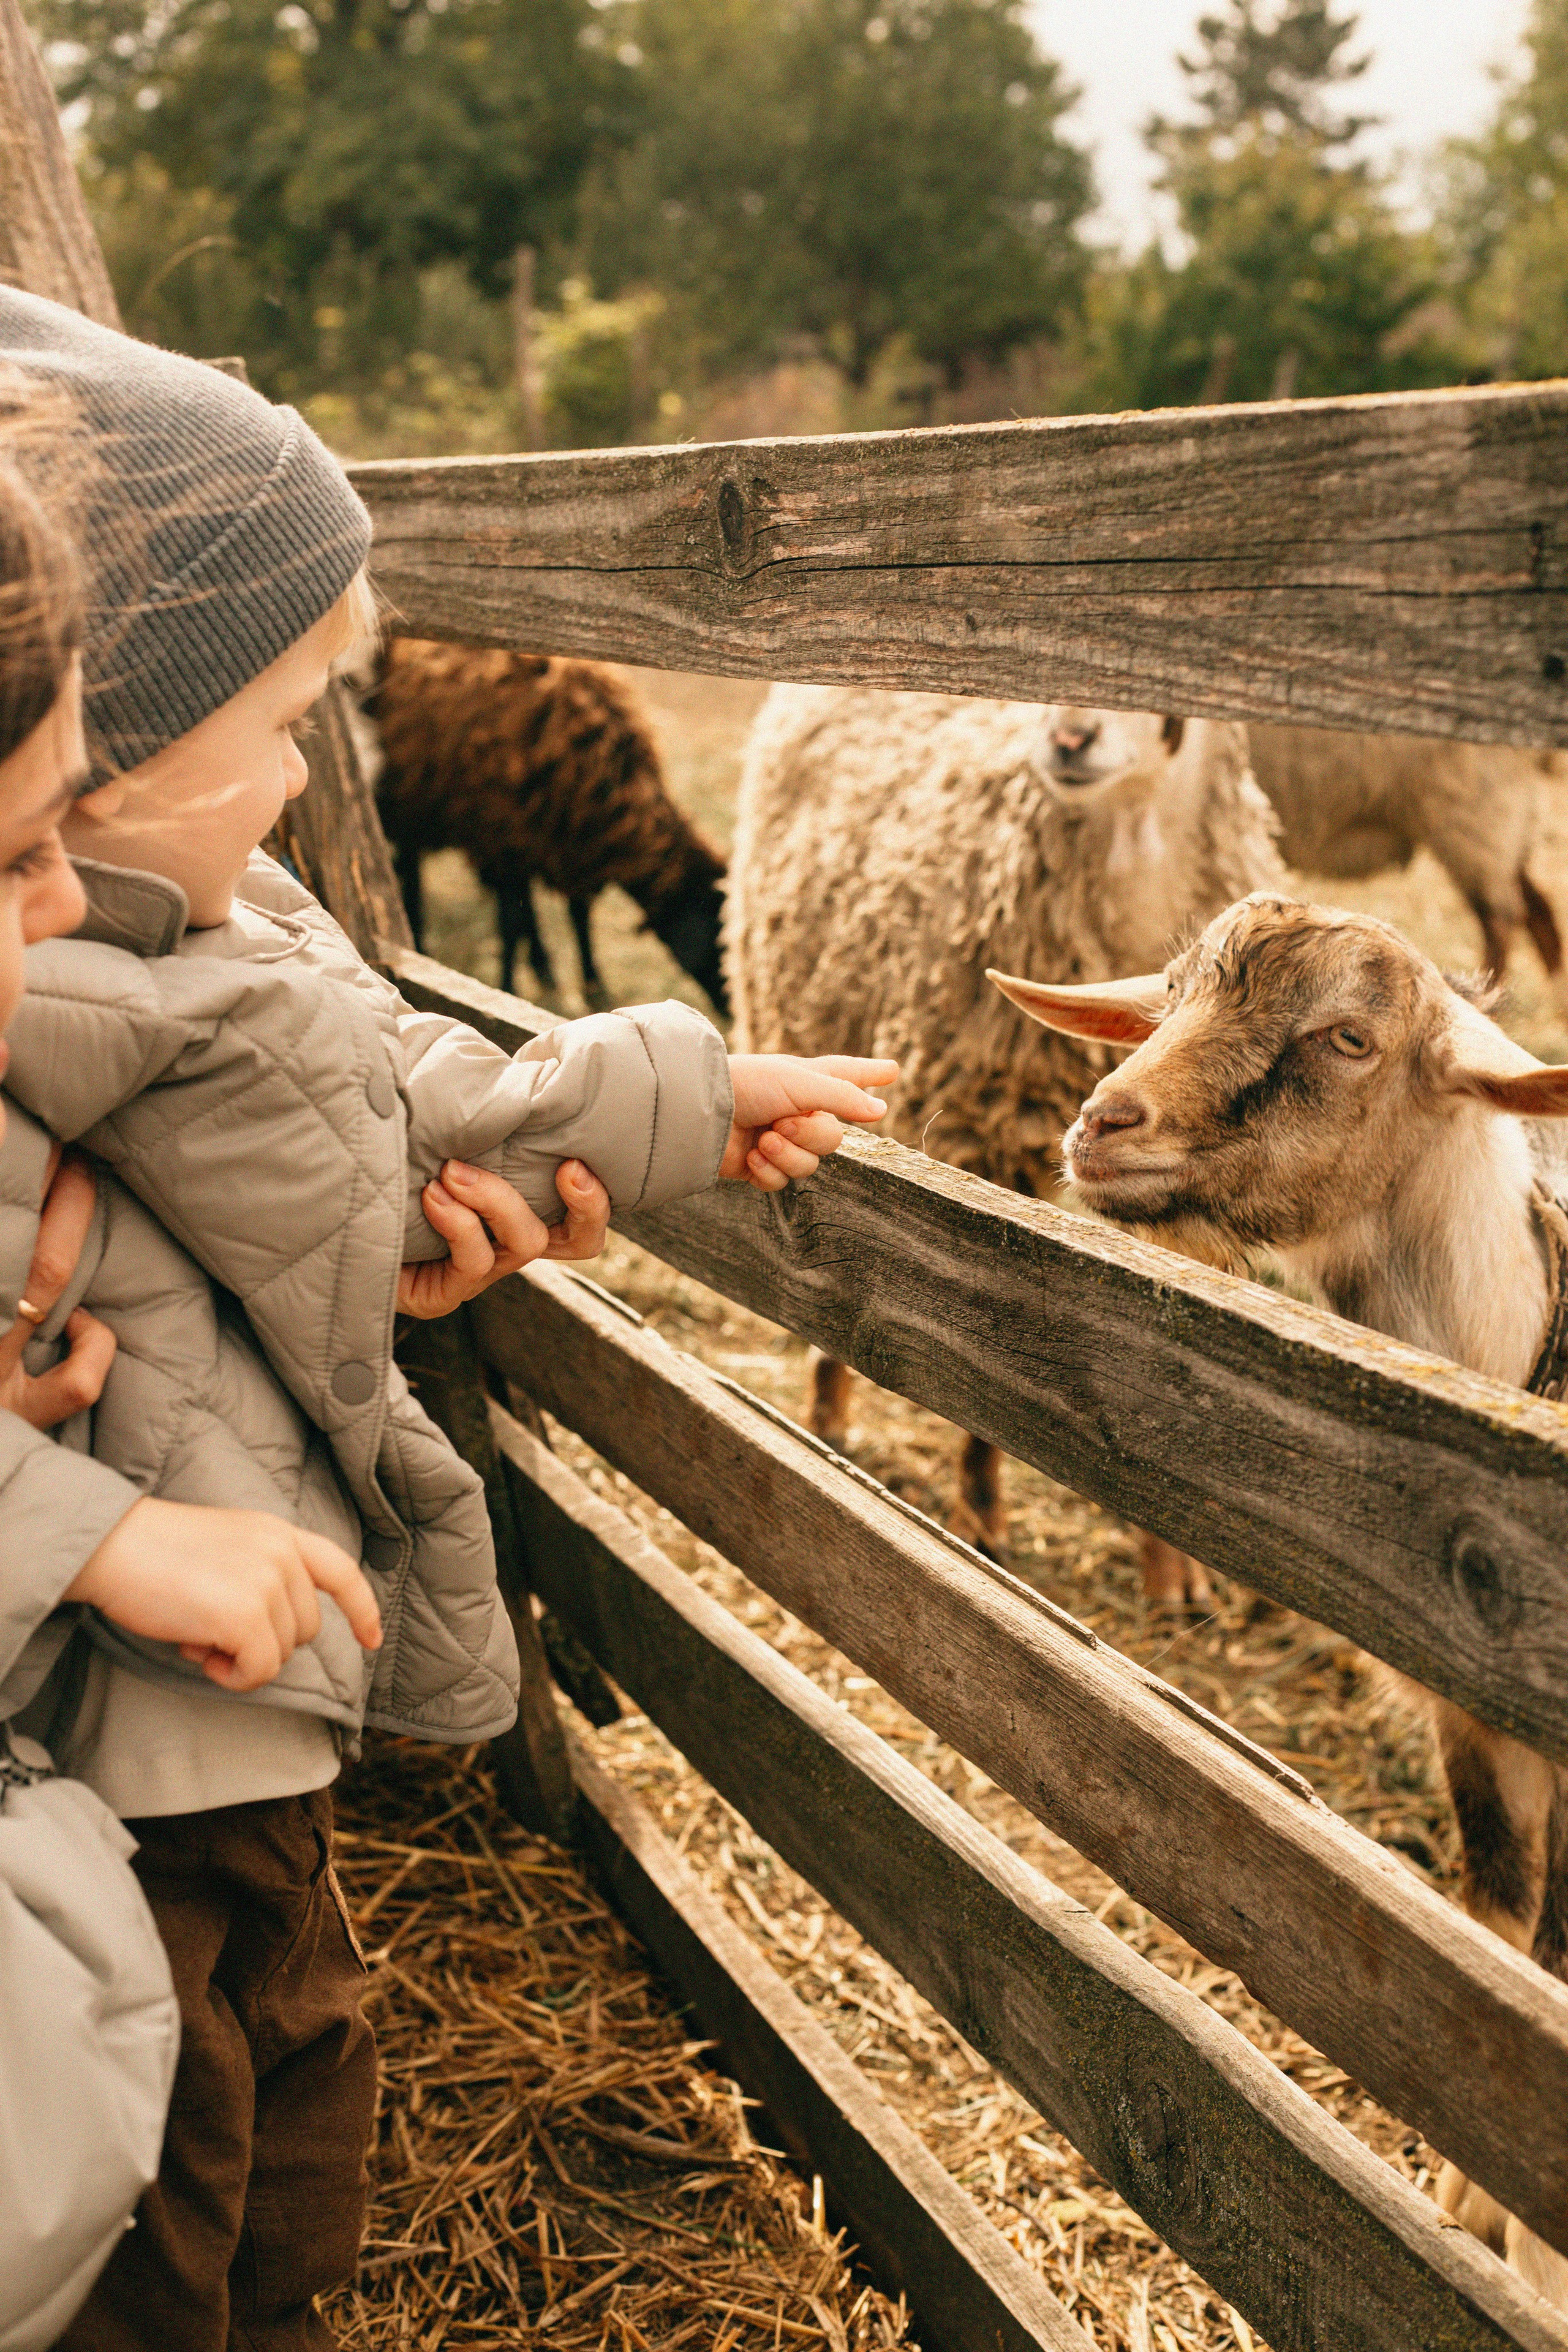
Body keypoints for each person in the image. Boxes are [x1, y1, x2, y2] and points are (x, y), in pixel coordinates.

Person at [0, 288, 897, 2352]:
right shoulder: (41, 998)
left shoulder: (249, 923)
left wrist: (686, 1091)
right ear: (104, 757)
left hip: (258, 1687)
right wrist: (107, 1535)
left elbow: (401, 1087)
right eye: (282, 720)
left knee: (299, 2105)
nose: (323, 760)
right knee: (148, 2169)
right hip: (104, 1740)